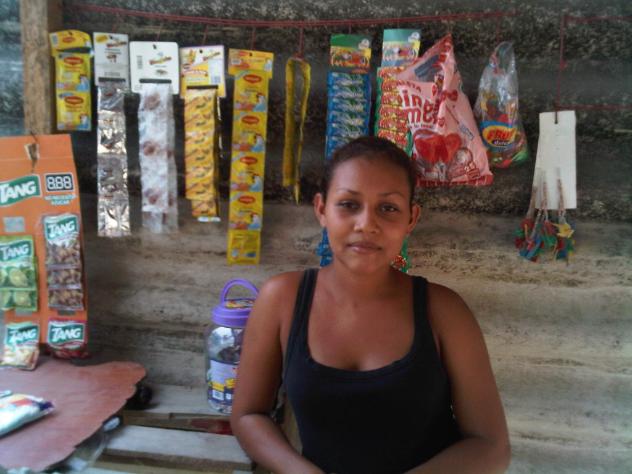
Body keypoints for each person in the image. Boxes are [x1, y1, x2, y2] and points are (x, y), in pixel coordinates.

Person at [231, 136, 510, 473]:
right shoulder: (282, 299)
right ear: (321, 209)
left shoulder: (443, 311)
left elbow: (490, 446)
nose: (366, 224)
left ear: (411, 219)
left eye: (388, 208)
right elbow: (248, 415)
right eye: (349, 204)